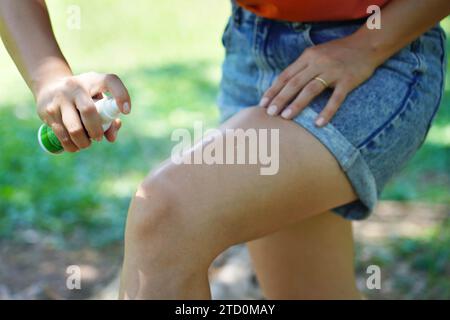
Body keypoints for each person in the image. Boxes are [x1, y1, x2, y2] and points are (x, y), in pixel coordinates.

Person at [0, 0, 448, 299]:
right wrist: (50, 76)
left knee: (167, 217)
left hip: (375, 52)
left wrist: (366, 44)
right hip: (254, 48)